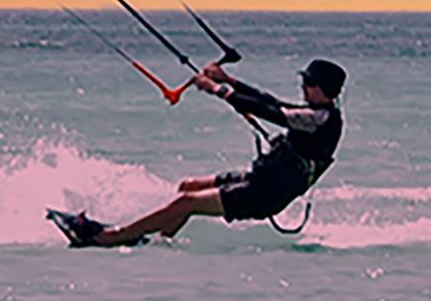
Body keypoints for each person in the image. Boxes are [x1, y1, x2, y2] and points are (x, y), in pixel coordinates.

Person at [54, 56, 347, 247]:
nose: (303, 86)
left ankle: (110, 237)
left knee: (187, 202)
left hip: (265, 194)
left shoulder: (318, 118)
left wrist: (215, 89)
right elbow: (268, 99)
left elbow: (268, 111)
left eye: (308, 83)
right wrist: (228, 80)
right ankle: (154, 240)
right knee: (188, 187)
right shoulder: (316, 110)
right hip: (261, 179)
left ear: (324, 89)